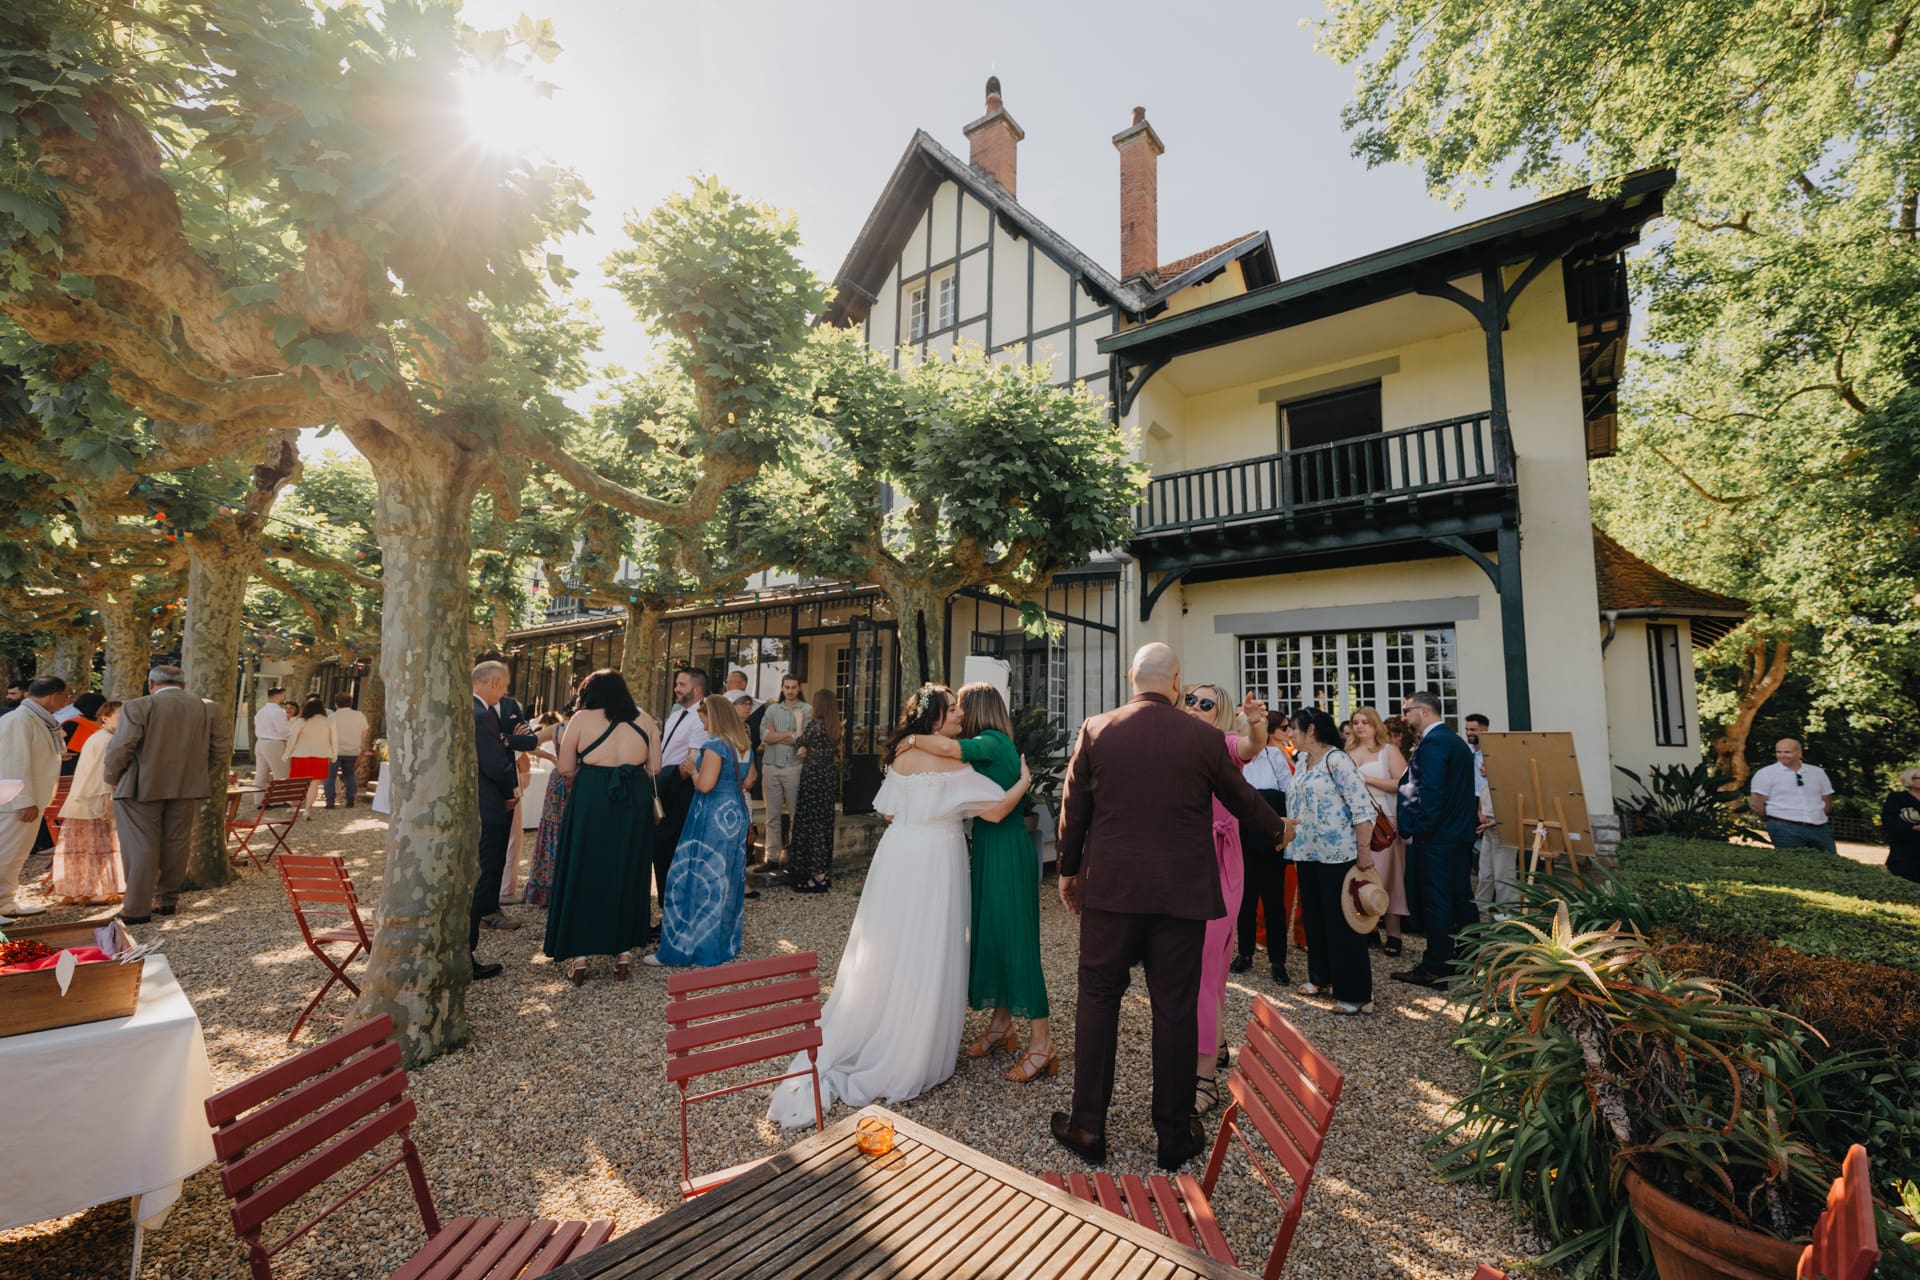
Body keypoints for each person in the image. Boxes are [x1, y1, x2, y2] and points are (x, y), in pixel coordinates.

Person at [1050, 644, 1289, 1171]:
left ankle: (1088, 1125)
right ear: (1176, 682)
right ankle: (1174, 1135)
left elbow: (1076, 805)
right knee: (1176, 1006)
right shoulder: (1202, 738)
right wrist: (1278, 830)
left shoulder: (1096, 728)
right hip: (1181, 896)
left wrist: (1068, 872)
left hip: (1112, 891)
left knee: (1097, 998)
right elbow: (1241, 796)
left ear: (1132, 676)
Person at [768, 684, 1032, 1127]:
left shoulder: (899, 759)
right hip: (935, 859)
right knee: (928, 944)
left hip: (897, 855)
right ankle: (912, 1046)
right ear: (934, 719)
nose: (959, 716)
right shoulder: (955, 762)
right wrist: (1024, 781)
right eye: (951, 710)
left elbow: (889, 811)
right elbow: (995, 812)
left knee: (889, 943)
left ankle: (878, 1022)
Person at [914, 683, 1055, 1083]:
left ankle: (1043, 1043)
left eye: (961, 705)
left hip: (1007, 850)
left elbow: (947, 750)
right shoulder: (997, 744)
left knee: (1017, 944)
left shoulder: (990, 742)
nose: (957, 712)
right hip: (992, 849)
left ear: (976, 709)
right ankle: (1001, 1025)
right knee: (993, 938)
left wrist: (908, 739)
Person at [1180, 681, 1268, 1116]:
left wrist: (1256, 725)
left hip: (1219, 864)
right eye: (1189, 700)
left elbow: (1249, 747)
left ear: (1222, 712)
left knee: (1205, 965)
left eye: (1205, 703)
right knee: (1206, 968)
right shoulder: (1175, 743)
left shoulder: (1222, 744)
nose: (1195, 707)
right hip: (1185, 865)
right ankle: (1213, 1044)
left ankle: (1204, 1080)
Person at [543, 669, 659, 983]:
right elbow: (655, 767)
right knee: (627, 868)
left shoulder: (581, 720)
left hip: (592, 796)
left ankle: (580, 957)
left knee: (584, 867)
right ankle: (622, 953)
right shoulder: (646, 720)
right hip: (633, 796)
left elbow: (566, 768)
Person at [104, 666, 229, 923]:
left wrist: (112, 777)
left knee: (140, 844)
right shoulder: (208, 708)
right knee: (176, 843)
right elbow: (221, 749)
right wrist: (198, 772)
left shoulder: (138, 706)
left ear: (151, 683)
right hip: (186, 785)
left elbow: (122, 746)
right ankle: (167, 900)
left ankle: (136, 908)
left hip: (139, 785)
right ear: (184, 683)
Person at [649, 694, 756, 968]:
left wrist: (692, 771)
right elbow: (750, 780)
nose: (703, 723)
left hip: (711, 815)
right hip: (735, 814)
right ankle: (722, 943)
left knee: (695, 877)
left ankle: (689, 946)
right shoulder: (744, 744)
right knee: (726, 879)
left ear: (714, 717)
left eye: (703, 718)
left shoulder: (715, 745)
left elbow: (705, 785)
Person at [1287, 706, 1378, 1014]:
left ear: (1311, 730)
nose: (1289, 733)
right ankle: (1320, 977)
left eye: (1293, 728)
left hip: (1337, 852)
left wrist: (1364, 849)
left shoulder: (1336, 760)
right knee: (1314, 916)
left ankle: (1356, 994)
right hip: (1307, 851)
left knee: (1342, 921)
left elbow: (1361, 806)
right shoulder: (1301, 761)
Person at [1391, 691, 1479, 988]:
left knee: (1437, 902)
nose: (1404, 717)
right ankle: (1468, 959)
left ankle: (1438, 966)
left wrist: (1418, 827)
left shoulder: (1434, 744)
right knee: (1461, 899)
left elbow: (1431, 792)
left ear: (1424, 711)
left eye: (1407, 710)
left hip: (1437, 838)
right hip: (1458, 835)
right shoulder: (1455, 743)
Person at [470, 660, 535, 980]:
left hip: (485, 801)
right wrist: (510, 789)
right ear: (494, 682)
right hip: (490, 802)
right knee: (489, 861)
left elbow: (528, 740)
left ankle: (485, 912)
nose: (508, 691)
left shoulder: (485, 710)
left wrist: (509, 740)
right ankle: (478, 925)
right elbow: (496, 763)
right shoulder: (481, 716)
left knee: (489, 861)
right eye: (505, 683)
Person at [0, 676, 67, 922]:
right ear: (53, 696)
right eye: (64, 696)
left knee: (15, 854)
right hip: (16, 802)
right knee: (6, 852)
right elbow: (12, 763)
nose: (65, 701)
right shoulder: (19, 720)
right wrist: (23, 800)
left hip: (30, 799)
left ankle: (6, 901)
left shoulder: (34, 718)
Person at [1232, 712, 1293, 983]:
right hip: (1242, 835)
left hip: (1269, 836)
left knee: (1273, 901)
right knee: (1244, 900)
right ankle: (1244, 953)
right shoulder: (1235, 760)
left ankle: (1278, 960)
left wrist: (1284, 834)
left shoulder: (1275, 756)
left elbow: (1287, 793)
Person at [49, 699, 125, 905]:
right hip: (94, 800)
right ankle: (95, 890)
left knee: (87, 848)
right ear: (105, 718)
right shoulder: (106, 740)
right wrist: (107, 802)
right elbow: (102, 775)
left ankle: (81, 890)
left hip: (85, 799)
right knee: (98, 848)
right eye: (120, 717)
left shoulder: (99, 737)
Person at [1346, 706, 1408, 955]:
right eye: (1356, 722)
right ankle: (1366, 927)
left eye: (1365, 722)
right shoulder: (1346, 753)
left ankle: (1394, 934)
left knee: (1388, 877)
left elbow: (1402, 783)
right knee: (1361, 876)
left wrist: (1368, 780)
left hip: (1384, 821)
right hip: (1355, 822)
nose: (1360, 726)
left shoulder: (1387, 751)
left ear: (1375, 725)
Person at [653, 668, 708, 933]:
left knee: (674, 852)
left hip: (679, 788)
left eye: (681, 684)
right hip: (662, 780)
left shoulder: (700, 719)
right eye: (677, 683)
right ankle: (666, 911)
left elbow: (691, 762)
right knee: (660, 852)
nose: (676, 688)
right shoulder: (676, 713)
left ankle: (677, 918)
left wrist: (663, 783)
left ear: (696, 690)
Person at [786, 688, 841, 893]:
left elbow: (799, 742)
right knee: (824, 824)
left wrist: (799, 722)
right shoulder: (835, 727)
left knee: (811, 825)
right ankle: (822, 871)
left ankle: (814, 875)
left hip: (813, 779)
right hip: (827, 779)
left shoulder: (815, 725)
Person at [1749, 738, 1837, 854]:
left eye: (1787, 752)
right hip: (1784, 827)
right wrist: (1773, 820)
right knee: (1792, 865)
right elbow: (1756, 803)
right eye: (1779, 752)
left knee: (1830, 864)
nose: (1782, 755)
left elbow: (1827, 799)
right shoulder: (1766, 773)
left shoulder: (1817, 772)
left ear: (1799, 753)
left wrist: (1816, 816)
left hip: (1819, 828)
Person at [523, 709, 570, 907]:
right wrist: (550, 758)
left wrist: (552, 759)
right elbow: (528, 743)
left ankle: (545, 887)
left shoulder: (559, 728)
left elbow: (528, 743)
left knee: (552, 831)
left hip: (559, 779)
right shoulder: (588, 728)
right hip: (576, 782)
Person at [760, 676, 809, 868]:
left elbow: (802, 739)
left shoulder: (807, 710)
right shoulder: (772, 709)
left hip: (794, 767)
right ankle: (771, 858)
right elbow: (764, 735)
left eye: (793, 687)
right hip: (770, 766)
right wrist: (790, 734)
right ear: (782, 688)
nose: (790, 690)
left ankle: (793, 857)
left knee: (796, 815)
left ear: (799, 688)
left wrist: (777, 736)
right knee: (771, 815)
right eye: (786, 687)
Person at [1462, 713, 1510, 906]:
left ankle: (1503, 907)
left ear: (1485, 730)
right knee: (1482, 862)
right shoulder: (1465, 751)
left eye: (1473, 730)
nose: (1469, 733)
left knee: (1500, 863)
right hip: (1470, 802)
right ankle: (1479, 904)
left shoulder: (1496, 753)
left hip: (1492, 805)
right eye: (1467, 730)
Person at [285, 693, 335, 811]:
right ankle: (307, 809)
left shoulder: (301, 721)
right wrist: (333, 755)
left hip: (300, 754)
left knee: (297, 783)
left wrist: (287, 753)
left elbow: (292, 739)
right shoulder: (328, 721)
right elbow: (334, 740)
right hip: (320, 755)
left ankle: (295, 806)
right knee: (314, 784)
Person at [324, 693, 370, 809]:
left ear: (336, 704)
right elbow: (364, 733)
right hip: (352, 750)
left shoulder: (331, 718)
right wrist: (362, 746)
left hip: (335, 751)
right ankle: (350, 800)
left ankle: (330, 801)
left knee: (330, 776)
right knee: (349, 775)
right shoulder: (359, 715)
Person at [1882, 768, 1920, 885]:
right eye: (1919, 778)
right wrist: (1911, 828)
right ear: (1910, 780)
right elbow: (1888, 820)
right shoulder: (1897, 798)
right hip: (1904, 847)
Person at [252, 687, 291, 796]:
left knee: (261, 773)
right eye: (283, 695)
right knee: (282, 772)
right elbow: (283, 730)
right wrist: (291, 738)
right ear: (277, 696)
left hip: (260, 742)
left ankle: (258, 800)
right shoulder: (278, 711)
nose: (285, 697)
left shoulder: (261, 711)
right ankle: (280, 798)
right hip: (273, 743)